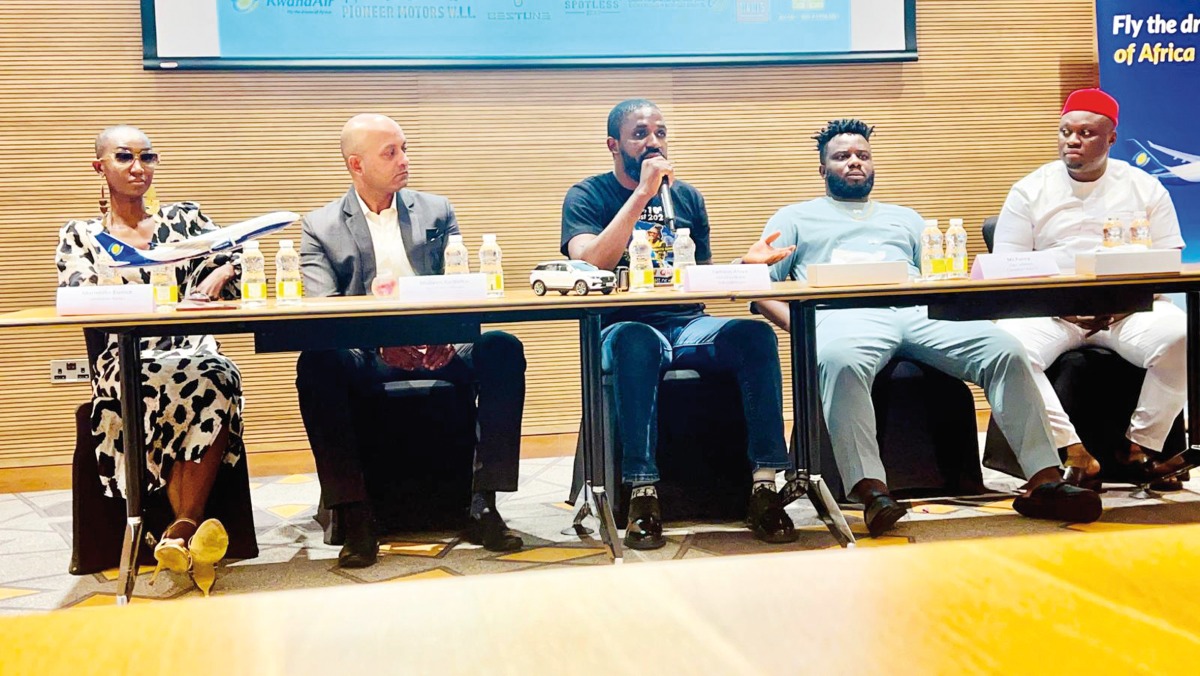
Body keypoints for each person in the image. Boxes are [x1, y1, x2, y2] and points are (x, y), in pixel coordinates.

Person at [754, 119, 1103, 536]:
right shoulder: (794, 217)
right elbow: (761, 290)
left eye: (862, 156)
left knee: (1004, 348)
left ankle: (1044, 480)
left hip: (918, 312)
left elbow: (941, 276)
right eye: (842, 157)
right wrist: (806, 330)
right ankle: (871, 492)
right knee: (839, 360)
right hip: (845, 316)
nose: (854, 163)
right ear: (823, 169)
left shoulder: (905, 217)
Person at [561, 98, 799, 550]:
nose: (653, 141)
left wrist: (741, 267)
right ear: (614, 144)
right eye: (640, 133)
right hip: (620, 324)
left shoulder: (687, 196)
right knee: (637, 341)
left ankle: (764, 486)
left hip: (687, 325)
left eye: (660, 132)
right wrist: (641, 196)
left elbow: (696, 278)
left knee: (752, 334)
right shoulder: (587, 195)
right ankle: (643, 495)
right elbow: (591, 264)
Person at [297, 113, 527, 568]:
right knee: (317, 361)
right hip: (369, 353)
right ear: (356, 165)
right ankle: (355, 513)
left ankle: (484, 501)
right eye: (391, 152)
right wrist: (381, 345)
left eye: (404, 148)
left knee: (502, 347)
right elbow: (323, 308)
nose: (405, 160)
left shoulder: (436, 210)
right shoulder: (320, 226)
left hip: (442, 345)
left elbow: (459, 284)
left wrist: (448, 335)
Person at [56, 125, 243, 595]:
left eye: (148, 156)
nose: (139, 167)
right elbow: (79, 294)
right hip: (126, 354)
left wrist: (219, 274)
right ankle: (183, 530)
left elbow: (237, 258)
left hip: (192, 350)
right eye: (124, 157)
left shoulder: (184, 220)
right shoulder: (81, 235)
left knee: (215, 372)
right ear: (100, 167)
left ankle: (179, 533)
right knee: (189, 378)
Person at [994, 88, 1189, 489]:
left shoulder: (1145, 187)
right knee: (1006, 347)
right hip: (1051, 312)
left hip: (1127, 312)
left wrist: (1123, 305)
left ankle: (1141, 447)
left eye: (1086, 132)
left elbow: (1169, 260)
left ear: (1111, 138)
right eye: (1066, 131)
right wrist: (1059, 305)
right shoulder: (1029, 190)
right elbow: (1005, 268)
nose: (1073, 140)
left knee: (1184, 338)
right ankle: (1072, 451)